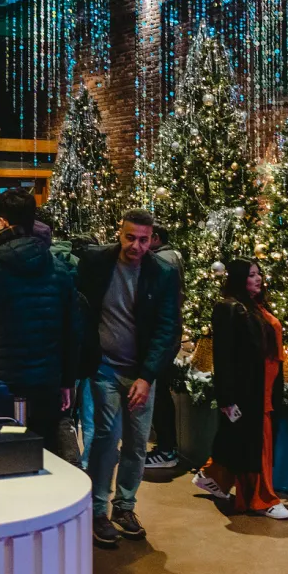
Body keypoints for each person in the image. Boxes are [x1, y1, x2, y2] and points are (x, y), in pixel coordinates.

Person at [77, 208, 183, 548]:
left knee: (137, 443)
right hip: (103, 367)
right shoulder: (96, 262)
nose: (136, 246)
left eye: (143, 240)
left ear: (152, 239)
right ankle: (97, 510)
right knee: (107, 436)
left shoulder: (163, 272)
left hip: (140, 372)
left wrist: (147, 377)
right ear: (119, 233)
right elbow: (80, 310)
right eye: (130, 237)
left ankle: (124, 506)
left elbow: (168, 328)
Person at [0, 189, 82, 456]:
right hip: (47, 383)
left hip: (0, 386)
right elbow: (71, 331)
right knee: (46, 459)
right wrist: (67, 380)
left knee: (4, 459)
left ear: (1, 221)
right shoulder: (58, 270)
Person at [192, 259, 288, 519]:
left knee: (244, 442)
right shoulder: (230, 308)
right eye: (251, 275)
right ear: (238, 279)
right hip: (250, 390)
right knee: (254, 444)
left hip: (264, 387)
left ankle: (212, 475)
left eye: (259, 274)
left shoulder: (256, 306)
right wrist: (226, 397)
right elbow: (223, 355)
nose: (258, 279)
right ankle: (261, 499)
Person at [144, 225, 183, 471]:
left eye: (144, 239)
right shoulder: (172, 257)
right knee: (159, 394)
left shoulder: (162, 263)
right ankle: (166, 448)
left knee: (159, 395)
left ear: (155, 238)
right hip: (166, 340)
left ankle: (167, 449)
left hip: (161, 341)